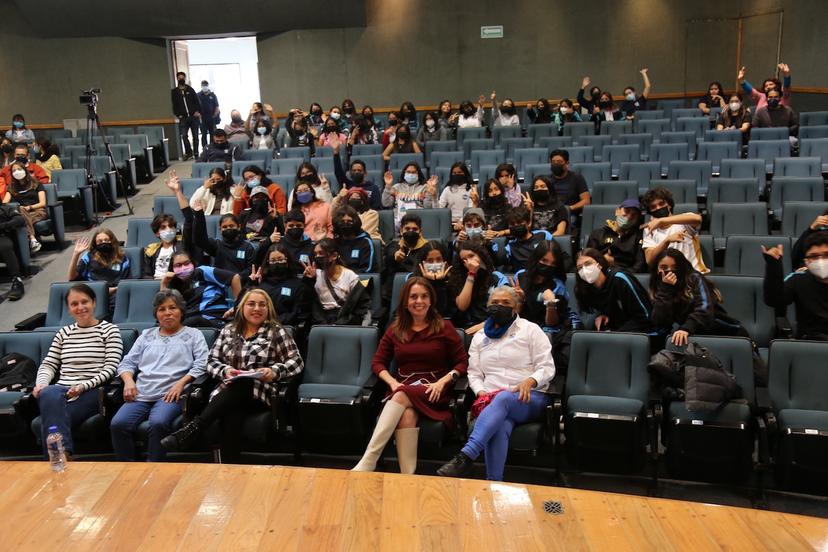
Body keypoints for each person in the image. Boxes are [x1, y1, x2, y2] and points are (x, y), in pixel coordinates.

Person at [161, 289, 304, 460]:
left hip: (259, 392)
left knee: (243, 383)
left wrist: (274, 371)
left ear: (268, 309)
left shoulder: (276, 331)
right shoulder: (229, 330)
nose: (257, 308)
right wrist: (225, 371)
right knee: (231, 415)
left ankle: (194, 429)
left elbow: (296, 361)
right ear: (242, 308)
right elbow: (211, 361)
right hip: (228, 392)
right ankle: (231, 471)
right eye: (251, 304)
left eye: (262, 305)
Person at [436, 286, 555, 481]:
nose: (499, 306)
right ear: (487, 307)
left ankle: (466, 456)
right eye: (494, 303)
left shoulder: (531, 330)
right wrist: (481, 392)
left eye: (506, 303)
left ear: (516, 308)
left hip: (529, 398)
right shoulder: (480, 337)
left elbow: (547, 367)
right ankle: (494, 483)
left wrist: (531, 380)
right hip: (493, 402)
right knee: (500, 424)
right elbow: (474, 373)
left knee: (504, 398)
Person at [353, 277, 467, 474]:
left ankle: (369, 459)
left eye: (424, 296)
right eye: (413, 297)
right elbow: (378, 363)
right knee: (406, 414)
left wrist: (444, 381)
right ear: (406, 302)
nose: (419, 301)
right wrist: (393, 382)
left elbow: (462, 363)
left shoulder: (444, 327)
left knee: (401, 395)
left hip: (434, 390)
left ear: (431, 300)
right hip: (404, 389)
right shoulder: (395, 329)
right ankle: (408, 476)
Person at [110, 289, 209, 461]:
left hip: (170, 395)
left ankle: (153, 468)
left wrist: (181, 383)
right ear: (156, 313)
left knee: (158, 423)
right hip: (141, 394)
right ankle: (127, 469)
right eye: (162, 309)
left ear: (181, 311)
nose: (168, 313)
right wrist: (128, 382)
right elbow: (127, 363)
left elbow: (202, 364)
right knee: (118, 424)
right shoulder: (146, 336)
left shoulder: (194, 334)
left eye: (173, 308)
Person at [32, 284, 123, 456]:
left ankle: (56, 456)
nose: (80, 307)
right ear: (69, 308)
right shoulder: (64, 333)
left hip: (93, 390)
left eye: (84, 302)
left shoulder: (110, 330)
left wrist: (83, 386)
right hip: (62, 391)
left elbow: (110, 369)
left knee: (51, 418)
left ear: (94, 302)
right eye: (74, 304)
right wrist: (41, 384)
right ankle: (62, 453)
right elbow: (48, 364)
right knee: (47, 392)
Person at [650, 249, 757, 347]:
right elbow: (660, 322)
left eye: (675, 268)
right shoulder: (661, 288)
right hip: (696, 338)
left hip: (726, 334)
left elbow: (704, 309)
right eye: (664, 268)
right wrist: (666, 290)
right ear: (656, 269)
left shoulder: (694, 278)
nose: (670, 272)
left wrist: (686, 328)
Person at [514, 240, 579, 371]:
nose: (548, 266)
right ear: (536, 258)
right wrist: (520, 301)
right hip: (523, 325)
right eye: (544, 261)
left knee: (543, 338)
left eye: (553, 263)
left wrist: (550, 305)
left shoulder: (557, 285)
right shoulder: (520, 277)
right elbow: (514, 314)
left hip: (548, 329)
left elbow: (552, 323)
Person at [762, 234, 828, 341]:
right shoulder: (798, 279)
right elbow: (774, 300)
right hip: (809, 342)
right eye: (814, 256)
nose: (821, 261)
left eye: (826, 254)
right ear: (806, 261)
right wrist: (773, 266)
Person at [574, 248, 653, 332]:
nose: (585, 270)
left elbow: (646, 316)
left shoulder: (620, 279)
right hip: (616, 329)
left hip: (641, 330)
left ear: (599, 264)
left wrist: (616, 334)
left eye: (588, 264)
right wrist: (604, 315)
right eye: (580, 268)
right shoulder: (586, 288)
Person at [161, 250, 241, 328]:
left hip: (215, 317)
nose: (183, 268)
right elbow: (164, 304)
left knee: (193, 321)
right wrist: (164, 283)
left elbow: (234, 277)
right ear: (172, 269)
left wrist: (237, 306)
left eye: (187, 263)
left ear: (192, 263)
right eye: (178, 265)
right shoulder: (174, 283)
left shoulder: (202, 271)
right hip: (190, 318)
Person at [303, 238, 372, 325]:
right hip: (321, 320)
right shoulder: (315, 274)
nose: (317, 257)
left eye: (321, 253)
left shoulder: (350, 276)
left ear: (334, 256)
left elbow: (360, 306)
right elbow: (307, 303)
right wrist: (309, 280)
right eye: (315, 254)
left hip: (344, 320)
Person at [641, 187, 707, 273]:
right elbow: (650, 260)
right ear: (650, 211)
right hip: (668, 276)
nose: (658, 208)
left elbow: (698, 219)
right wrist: (666, 241)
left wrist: (661, 220)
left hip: (693, 274)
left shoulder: (684, 219)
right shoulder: (649, 230)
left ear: (669, 204)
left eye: (661, 203)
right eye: (653, 207)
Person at [245, 243, 310, 328]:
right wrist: (251, 284)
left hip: (285, 327)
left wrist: (273, 321)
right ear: (268, 262)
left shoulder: (298, 285)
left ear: (287, 260)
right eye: (273, 260)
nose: (277, 263)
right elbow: (244, 308)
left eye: (280, 259)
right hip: (259, 325)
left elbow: (298, 313)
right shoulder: (260, 284)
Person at [448, 240, 508, 330]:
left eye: (471, 256)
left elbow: (505, 307)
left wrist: (485, 325)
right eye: (464, 260)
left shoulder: (496, 277)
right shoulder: (458, 280)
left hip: (491, 324)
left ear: (481, 255)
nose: (469, 262)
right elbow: (462, 306)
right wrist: (471, 274)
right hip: (466, 326)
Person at [586, 198, 647, 273]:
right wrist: (603, 261)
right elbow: (587, 260)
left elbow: (640, 266)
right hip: (600, 275)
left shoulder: (638, 237)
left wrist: (617, 267)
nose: (629, 216)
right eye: (627, 211)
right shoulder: (598, 234)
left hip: (626, 277)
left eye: (634, 215)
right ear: (617, 211)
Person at [68, 229, 130, 301]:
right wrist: (76, 254)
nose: (103, 243)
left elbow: (126, 282)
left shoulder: (122, 258)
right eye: (100, 241)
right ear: (95, 244)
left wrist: (113, 290)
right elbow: (72, 278)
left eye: (106, 240)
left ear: (112, 241)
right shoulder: (88, 256)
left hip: (116, 294)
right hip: (92, 294)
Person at [2, 161, 46, 253]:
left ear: (25, 170)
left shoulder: (36, 183)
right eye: (14, 171)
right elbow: (5, 203)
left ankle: (29, 241)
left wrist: (29, 207)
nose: (16, 172)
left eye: (19, 169)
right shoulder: (12, 187)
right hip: (22, 212)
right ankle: (32, 240)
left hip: (38, 211)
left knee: (19, 220)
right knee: (20, 213)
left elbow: (43, 203)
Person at [383, 213, 431, 294]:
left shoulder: (428, 248)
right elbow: (391, 253)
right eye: (407, 229)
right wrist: (395, 256)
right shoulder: (394, 245)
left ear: (420, 232)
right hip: (396, 291)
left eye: (415, 229)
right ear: (401, 231)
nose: (411, 231)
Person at [381, 163, 437, 230]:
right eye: (408, 172)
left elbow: (428, 207)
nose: (411, 174)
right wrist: (388, 186)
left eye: (413, 172)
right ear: (404, 173)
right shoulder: (396, 187)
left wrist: (429, 193)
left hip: (418, 220)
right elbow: (386, 203)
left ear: (418, 174)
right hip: (398, 221)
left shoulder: (424, 187)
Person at [502, 206, 553, 272]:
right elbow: (499, 261)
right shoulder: (510, 245)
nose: (516, 226)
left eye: (519, 223)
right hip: (524, 278)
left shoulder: (544, 235)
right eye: (512, 224)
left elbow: (560, 256)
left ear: (529, 223)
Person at [412, 241, 454, 317]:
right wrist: (428, 281)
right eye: (430, 261)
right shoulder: (414, 281)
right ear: (422, 263)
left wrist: (440, 283)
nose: (435, 264)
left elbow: (442, 311)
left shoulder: (451, 280)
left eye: (439, 260)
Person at [332, 205, 377, 273]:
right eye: (342, 222)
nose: (346, 224)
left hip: (359, 280)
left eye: (349, 221)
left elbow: (368, 269)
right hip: (337, 280)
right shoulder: (334, 243)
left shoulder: (365, 242)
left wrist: (348, 277)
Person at [141, 213, 184, 280]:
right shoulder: (152, 250)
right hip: (155, 283)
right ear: (157, 233)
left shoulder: (182, 245)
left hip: (174, 282)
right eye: (163, 227)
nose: (168, 229)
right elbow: (147, 274)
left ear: (175, 229)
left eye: (170, 226)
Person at [549, 149, 591, 217]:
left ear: (567, 163)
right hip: (551, 214)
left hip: (570, 214)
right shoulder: (547, 180)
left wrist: (570, 208)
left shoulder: (577, 178)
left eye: (559, 162)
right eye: (553, 162)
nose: (556, 164)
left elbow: (586, 201)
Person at [170, 71, 201, 160]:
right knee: (184, 135)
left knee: (195, 136)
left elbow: (197, 101)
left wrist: (198, 111)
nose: (181, 79)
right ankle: (189, 152)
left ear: (185, 78)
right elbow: (174, 105)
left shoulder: (190, 90)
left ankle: (196, 153)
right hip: (183, 117)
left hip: (193, 117)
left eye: (182, 78)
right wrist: (178, 114)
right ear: (177, 79)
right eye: (179, 78)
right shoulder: (174, 92)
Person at [438, 162, 476, 229]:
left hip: (466, 223)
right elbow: (439, 208)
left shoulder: (471, 189)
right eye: (454, 173)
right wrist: (434, 197)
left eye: (459, 172)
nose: (457, 175)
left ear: (465, 173)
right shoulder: (447, 189)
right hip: (449, 224)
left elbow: (471, 209)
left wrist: (461, 221)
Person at [0, 203, 26, 301]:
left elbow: (20, 220)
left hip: (2, 236)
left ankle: (17, 281)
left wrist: (4, 225)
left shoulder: (5, 208)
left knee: (5, 247)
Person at [197, 81, 220, 148]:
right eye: (203, 85)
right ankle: (205, 148)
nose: (204, 87)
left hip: (211, 117)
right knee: (204, 134)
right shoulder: (198, 95)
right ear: (201, 86)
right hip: (202, 118)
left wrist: (215, 115)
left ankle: (212, 148)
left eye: (205, 85)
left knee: (212, 133)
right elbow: (195, 106)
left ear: (208, 86)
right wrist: (199, 115)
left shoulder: (213, 95)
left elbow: (217, 106)